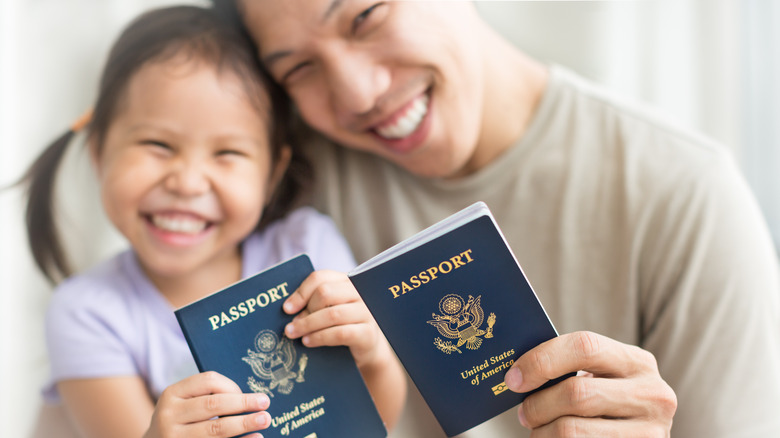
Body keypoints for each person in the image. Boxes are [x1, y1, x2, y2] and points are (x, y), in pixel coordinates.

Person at [210, 1, 780, 437]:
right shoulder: (275, 177)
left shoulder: (684, 192)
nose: (359, 94)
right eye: (299, 68)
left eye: (366, 15)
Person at [21, 5, 405, 438]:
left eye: (227, 154)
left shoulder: (306, 247)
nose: (186, 183)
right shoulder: (88, 313)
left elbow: (375, 425)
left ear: (272, 173)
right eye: (158, 144)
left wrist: (372, 354)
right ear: (98, 153)